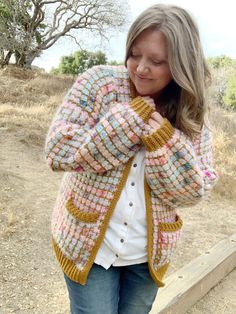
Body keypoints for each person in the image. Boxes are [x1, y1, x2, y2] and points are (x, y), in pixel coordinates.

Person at [44, 4, 218, 314]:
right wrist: (125, 124)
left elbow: (194, 190)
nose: (139, 68)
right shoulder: (99, 84)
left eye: (156, 61)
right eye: (135, 54)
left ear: (181, 65)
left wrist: (163, 141)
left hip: (147, 256)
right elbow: (58, 150)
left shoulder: (191, 114)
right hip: (88, 247)